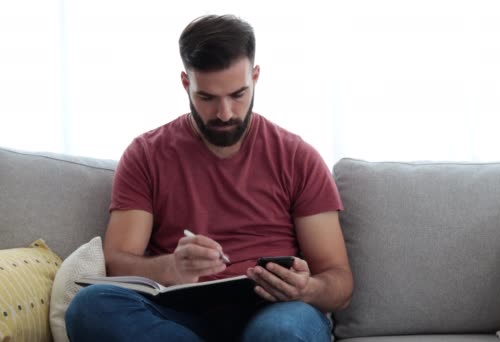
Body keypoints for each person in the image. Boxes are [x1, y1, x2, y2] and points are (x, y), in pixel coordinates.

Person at [65, 14, 353, 342]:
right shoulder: (146, 154)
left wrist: (309, 287)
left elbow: (340, 283)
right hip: (178, 315)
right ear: (187, 83)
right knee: (89, 308)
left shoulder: (298, 157)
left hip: (275, 310)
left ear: (255, 77)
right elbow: (117, 262)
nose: (225, 113)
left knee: (280, 332)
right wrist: (171, 268)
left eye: (238, 94)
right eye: (208, 98)